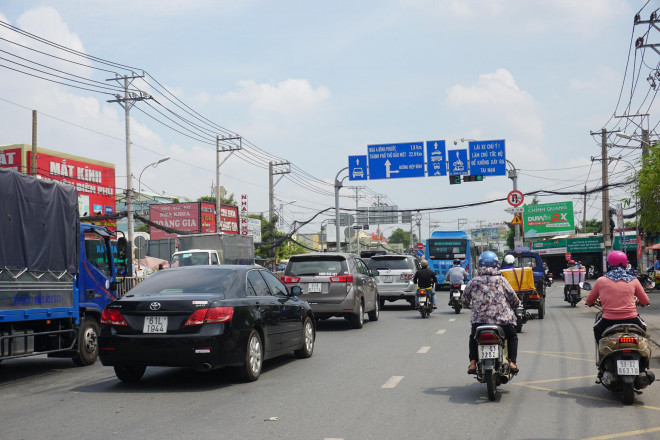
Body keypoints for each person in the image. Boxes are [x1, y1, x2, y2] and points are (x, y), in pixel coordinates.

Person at [462, 251, 520, 374]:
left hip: (479, 323)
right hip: (503, 322)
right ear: (496, 265)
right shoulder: (501, 280)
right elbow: (513, 297)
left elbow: (464, 300)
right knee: (512, 337)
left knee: (473, 338)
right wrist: (515, 305)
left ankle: (472, 363)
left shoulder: (474, 281)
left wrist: (471, 306)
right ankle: (512, 362)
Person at [585, 250, 649, 345]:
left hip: (608, 321)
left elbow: (589, 300)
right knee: (643, 330)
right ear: (625, 264)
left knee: (597, 329)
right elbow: (645, 301)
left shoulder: (601, 281)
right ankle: (644, 358)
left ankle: (602, 354)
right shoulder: (634, 280)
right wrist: (641, 302)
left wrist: (591, 303)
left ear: (608, 264)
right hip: (632, 319)